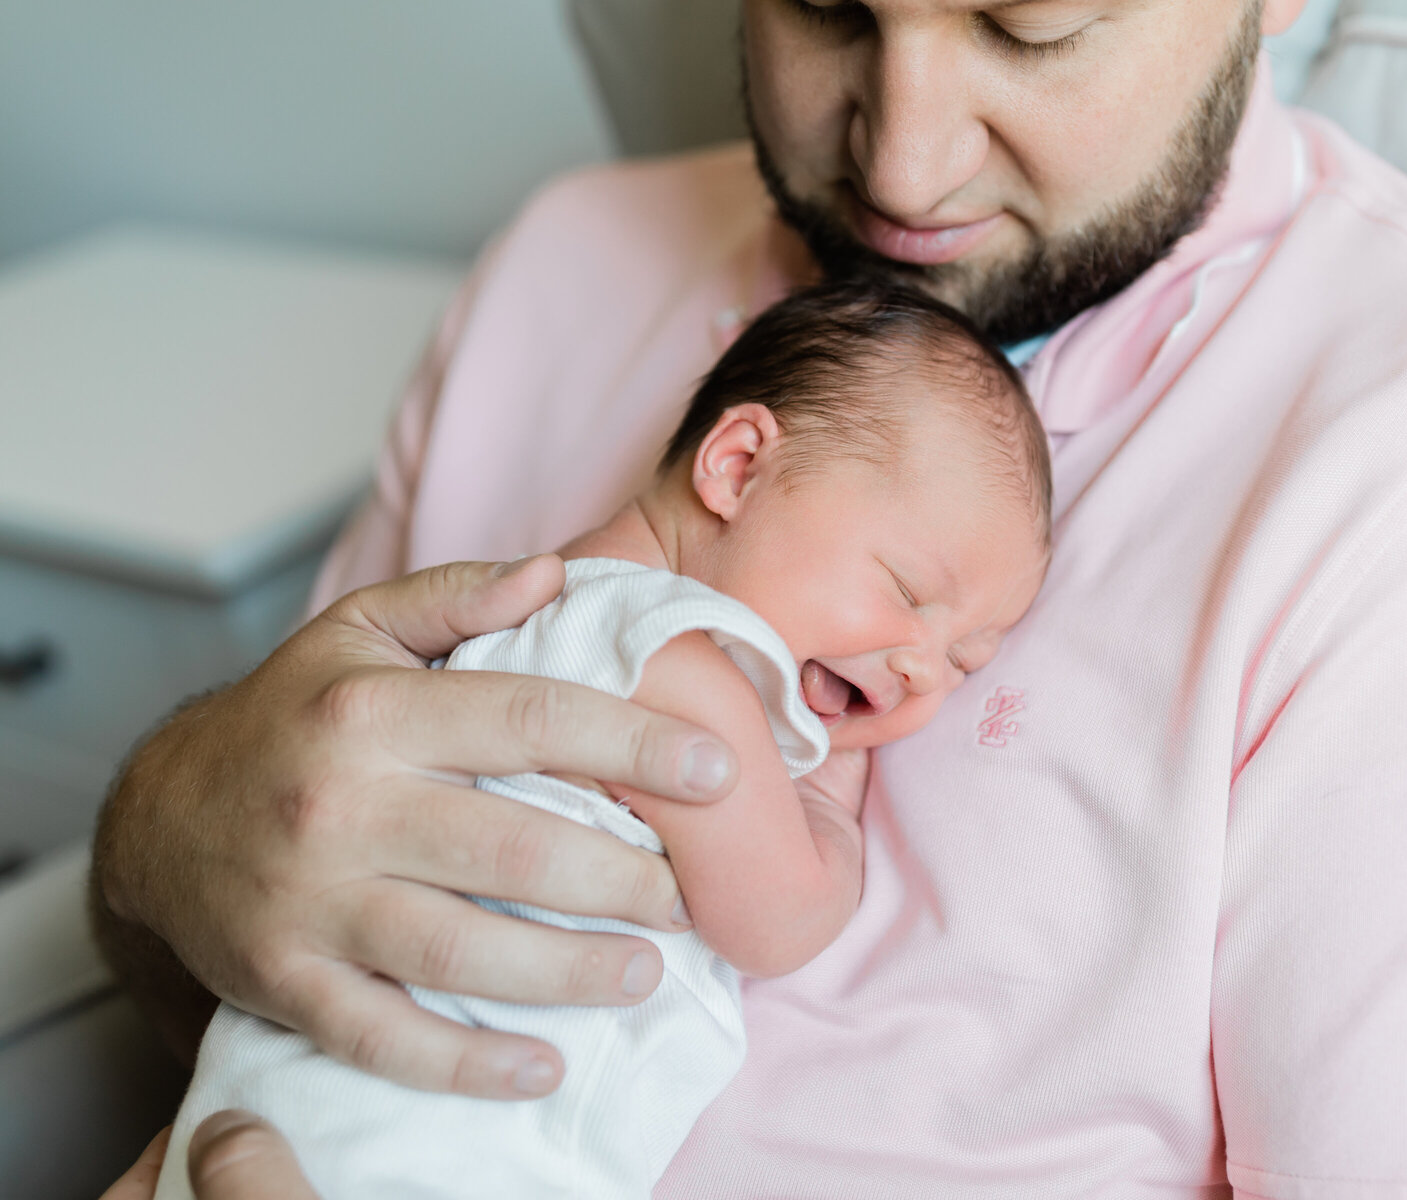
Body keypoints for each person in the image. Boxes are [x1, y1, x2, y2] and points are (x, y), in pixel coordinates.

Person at [94, 0, 1407, 1195]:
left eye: (1031, 27)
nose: (903, 166)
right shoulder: (560, 262)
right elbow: (267, 946)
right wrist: (164, 833)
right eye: (822, 8)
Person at [152, 282, 1051, 1199]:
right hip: (418, 1154)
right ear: (737, 467)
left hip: (289, 1125)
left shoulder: (530, 617)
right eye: (906, 591)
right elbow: (778, 922)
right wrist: (827, 808)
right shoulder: (671, 664)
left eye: (966, 661)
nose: (924, 671)